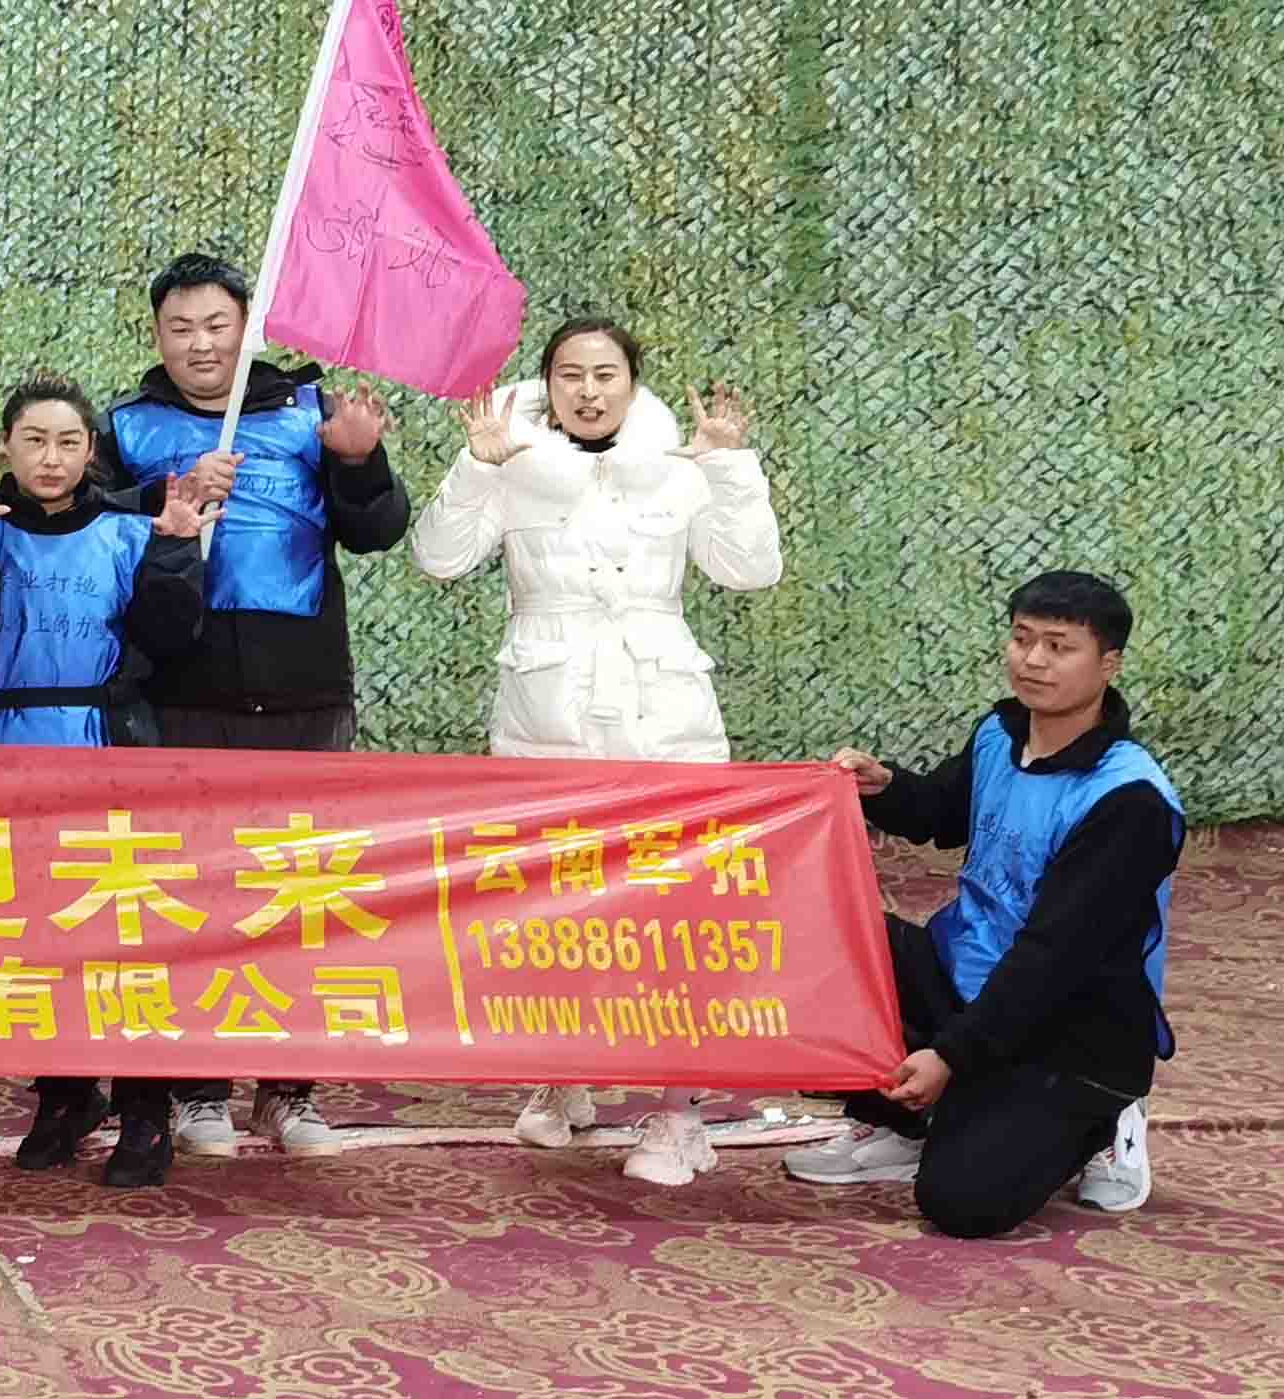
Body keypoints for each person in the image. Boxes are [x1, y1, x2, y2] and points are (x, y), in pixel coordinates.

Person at [412, 319, 784, 1185]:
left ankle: (679, 1112)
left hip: (666, 720)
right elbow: (438, 556)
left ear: (632, 383)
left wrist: (730, 465)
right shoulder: (514, 465)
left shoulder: (680, 469)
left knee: (680, 918)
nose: (588, 390)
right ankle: (562, 1074)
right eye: (570, 374)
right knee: (553, 907)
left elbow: (750, 567)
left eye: (606, 373)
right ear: (546, 386)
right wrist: (477, 466)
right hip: (546, 717)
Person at [93, 251, 410, 1161]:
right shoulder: (126, 425)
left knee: (298, 893)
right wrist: (165, 499)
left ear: (247, 327)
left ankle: (289, 1088)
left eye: (216, 325)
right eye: (180, 328)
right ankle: (198, 1089)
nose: (200, 344)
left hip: (305, 688)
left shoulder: (314, 412)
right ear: (157, 335)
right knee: (192, 893)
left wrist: (360, 461)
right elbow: (95, 526)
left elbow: (378, 529)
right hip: (182, 695)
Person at [787, 573, 1183, 1237]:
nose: (1033, 659)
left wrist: (950, 1057)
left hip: (1070, 1027)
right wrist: (884, 787)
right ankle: (904, 1123)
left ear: (1108, 664)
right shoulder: (1001, 733)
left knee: (962, 1201)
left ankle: (1104, 1120)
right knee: (808, 940)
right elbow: (942, 811)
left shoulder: (1128, 800)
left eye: (1059, 646)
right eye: (1023, 638)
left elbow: (1052, 960)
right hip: (965, 974)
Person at [0, 378, 215, 1187]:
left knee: (125, 931)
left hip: (107, 744)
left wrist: (175, 549)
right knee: (38, 934)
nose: (50, 458)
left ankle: (145, 1108)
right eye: (34, 440)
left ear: (91, 450)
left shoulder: (132, 529)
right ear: (7, 447)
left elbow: (174, 636)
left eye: (67, 441)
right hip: (7, 743)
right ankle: (64, 1093)